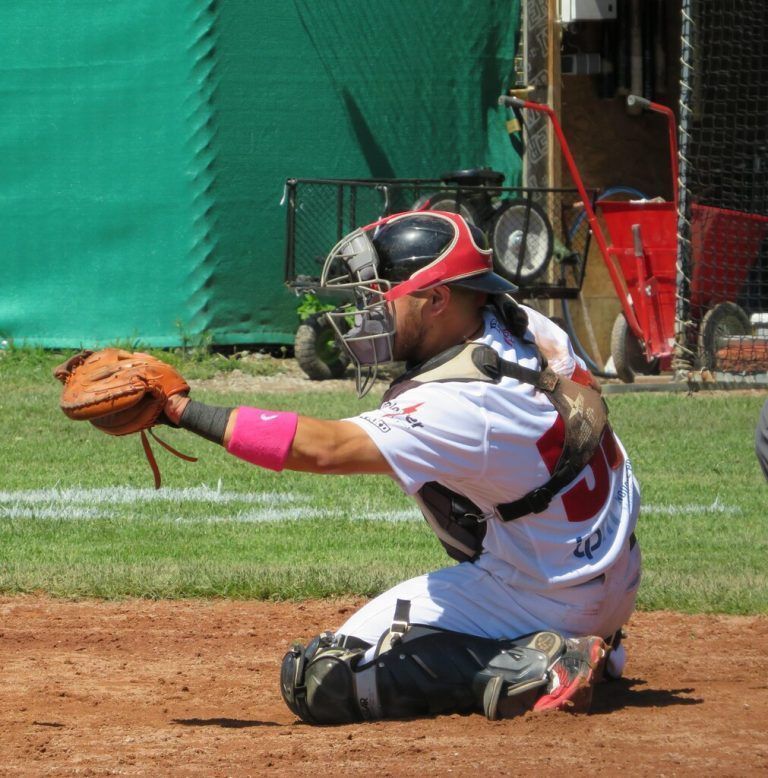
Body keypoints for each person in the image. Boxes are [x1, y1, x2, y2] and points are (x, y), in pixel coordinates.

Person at [163, 211, 641, 723]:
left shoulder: (459, 404)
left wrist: (182, 412)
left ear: (437, 299)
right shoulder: (524, 326)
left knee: (321, 680)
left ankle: (544, 663)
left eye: (383, 294)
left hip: (545, 596)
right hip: (609, 570)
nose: (369, 310)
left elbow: (322, 448)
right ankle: (593, 642)